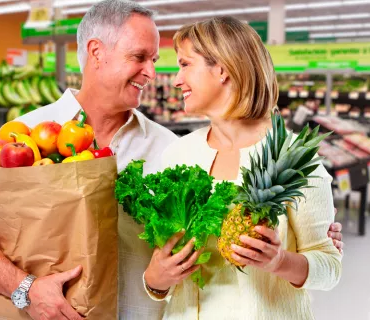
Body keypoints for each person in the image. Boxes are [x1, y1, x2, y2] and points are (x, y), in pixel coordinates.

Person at [0, 1, 343, 319]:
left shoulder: (167, 146)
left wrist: (295, 255)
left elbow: (317, 259)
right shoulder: (24, 134)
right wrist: (26, 291)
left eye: (161, 60)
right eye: (140, 57)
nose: (155, 74)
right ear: (96, 53)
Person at [143, 17, 342, 319]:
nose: (175, 80)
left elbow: (330, 268)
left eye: (185, 65)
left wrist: (279, 261)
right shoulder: (177, 154)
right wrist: (155, 281)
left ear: (222, 69)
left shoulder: (295, 160)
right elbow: (162, 270)